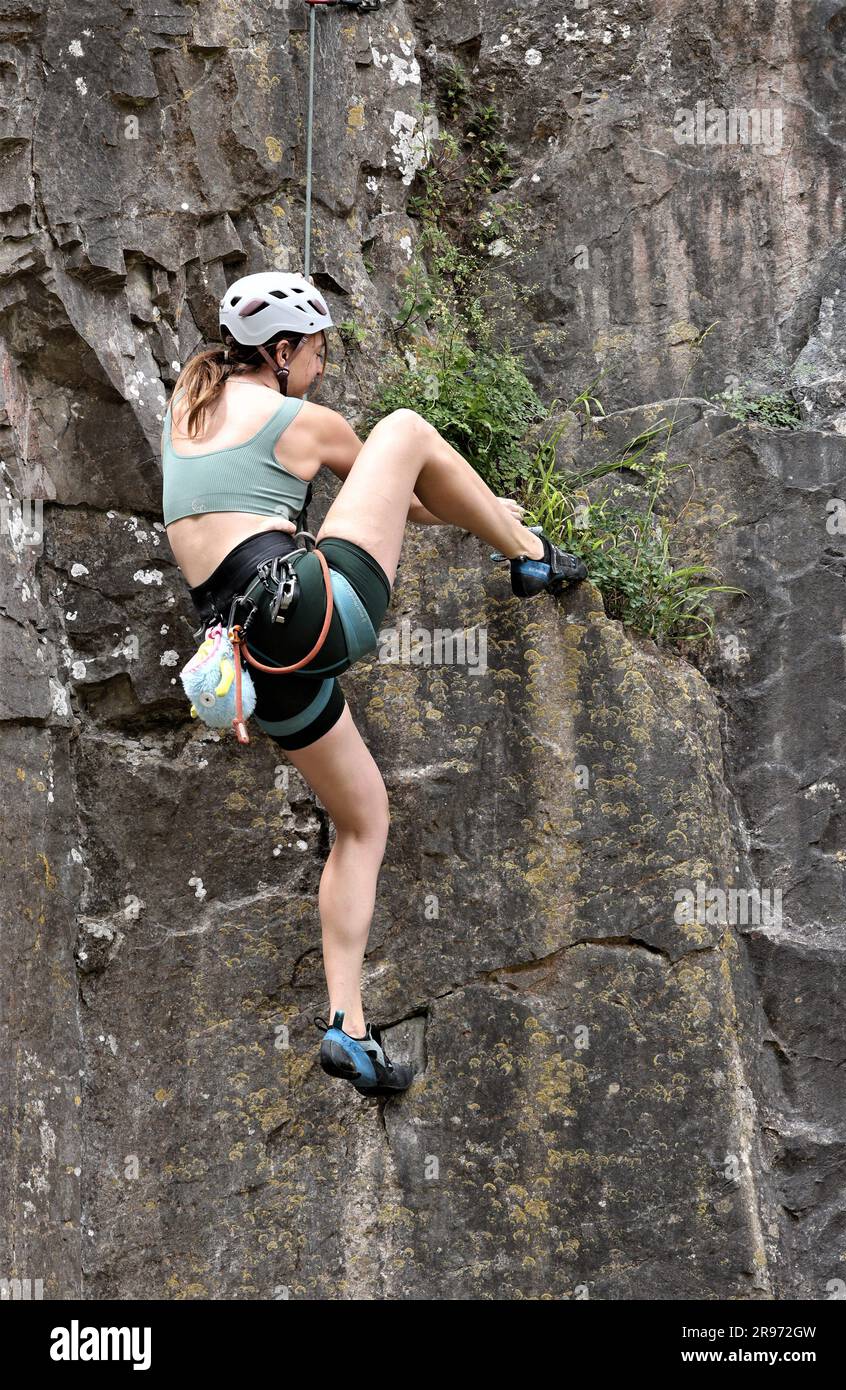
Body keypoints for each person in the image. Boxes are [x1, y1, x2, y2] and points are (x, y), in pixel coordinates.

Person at [161, 270, 587, 1099]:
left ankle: (348, 1027)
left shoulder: (186, 417)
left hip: (257, 664)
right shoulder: (301, 421)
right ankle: (532, 559)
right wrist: (498, 515)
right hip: (313, 613)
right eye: (316, 353)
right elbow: (411, 487)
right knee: (404, 425)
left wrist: (479, 505)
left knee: (363, 820)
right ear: (280, 353)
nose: (323, 368)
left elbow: (389, 500)